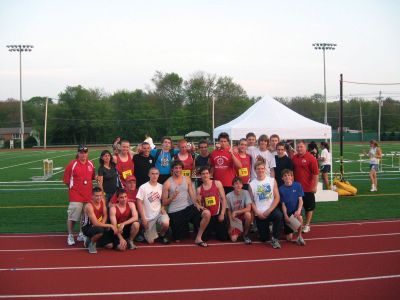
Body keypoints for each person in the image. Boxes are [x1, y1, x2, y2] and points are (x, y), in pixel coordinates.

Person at [162, 160, 210, 246]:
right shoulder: (167, 183)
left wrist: (197, 204)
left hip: (188, 208)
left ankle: (198, 238)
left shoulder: (187, 179)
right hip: (175, 212)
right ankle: (170, 230)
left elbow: (192, 194)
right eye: (176, 168)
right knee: (177, 239)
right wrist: (172, 197)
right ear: (172, 169)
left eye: (180, 168)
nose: (178, 170)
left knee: (206, 213)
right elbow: (164, 202)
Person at [63, 144, 95, 246]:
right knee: (72, 216)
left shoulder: (90, 163)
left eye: (85, 152)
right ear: (78, 153)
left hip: (88, 195)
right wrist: (74, 189)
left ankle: (81, 233)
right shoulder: (72, 164)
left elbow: (93, 177)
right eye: (81, 152)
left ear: (87, 153)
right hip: (76, 195)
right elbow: (66, 180)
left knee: (85, 217)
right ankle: (70, 235)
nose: (83, 154)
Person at [249, 160, 283, 249]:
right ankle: (265, 230)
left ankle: (275, 238)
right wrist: (257, 212)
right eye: (258, 169)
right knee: (264, 239)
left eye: (262, 168)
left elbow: (277, 197)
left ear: (265, 169)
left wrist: (269, 210)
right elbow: (251, 201)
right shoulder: (252, 184)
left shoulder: (271, 180)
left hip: (271, 209)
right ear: (255, 170)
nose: (260, 170)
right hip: (260, 212)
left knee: (278, 215)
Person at [136, 167, 170, 244]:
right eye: (152, 173)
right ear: (149, 175)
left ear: (159, 175)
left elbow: (163, 200)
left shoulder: (161, 187)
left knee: (166, 223)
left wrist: (162, 207)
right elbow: (139, 202)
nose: (154, 176)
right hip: (148, 216)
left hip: (158, 213)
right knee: (150, 241)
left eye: (156, 174)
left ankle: (162, 234)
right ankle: (143, 230)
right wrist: (143, 218)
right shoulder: (143, 187)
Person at [292, 140, 319, 233]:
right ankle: (297, 225)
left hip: (308, 188)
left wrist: (315, 186)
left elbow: (316, 174)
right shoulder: (294, 158)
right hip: (296, 189)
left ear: (305, 147)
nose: (299, 148)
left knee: (309, 207)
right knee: (296, 208)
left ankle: (307, 225)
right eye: (298, 147)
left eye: (301, 147)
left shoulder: (311, 158)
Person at [197, 166, 229, 241]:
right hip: (208, 217)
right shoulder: (199, 189)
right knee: (204, 238)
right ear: (200, 176)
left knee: (223, 238)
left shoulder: (217, 183)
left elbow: (223, 199)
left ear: (210, 174)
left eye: (207, 173)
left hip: (218, 214)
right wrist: (199, 206)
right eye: (203, 174)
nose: (205, 175)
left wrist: (222, 214)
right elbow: (198, 203)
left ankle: (216, 229)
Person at [81, 187, 118, 254]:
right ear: (92, 196)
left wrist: (103, 224)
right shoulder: (89, 206)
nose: (99, 198)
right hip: (88, 227)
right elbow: (95, 223)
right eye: (96, 196)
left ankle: (90, 240)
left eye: (100, 195)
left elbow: (105, 215)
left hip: (98, 225)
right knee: (100, 230)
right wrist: (109, 225)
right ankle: (91, 244)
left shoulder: (102, 201)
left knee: (110, 245)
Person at [279, 169, 305, 246]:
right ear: (282, 178)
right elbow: (283, 204)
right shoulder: (281, 189)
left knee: (299, 217)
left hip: (296, 211)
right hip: (288, 213)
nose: (287, 177)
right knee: (289, 238)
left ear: (292, 177)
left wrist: (299, 210)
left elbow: (301, 200)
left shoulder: (298, 185)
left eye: (289, 175)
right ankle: (291, 227)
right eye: (285, 175)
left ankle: (299, 236)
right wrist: (286, 215)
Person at [226, 177, 252, 244]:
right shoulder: (228, 196)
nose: (238, 185)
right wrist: (231, 223)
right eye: (236, 184)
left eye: (240, 184)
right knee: (233, 239)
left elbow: (248, 208)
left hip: (242, 215)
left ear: (242, 185)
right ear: (233, 185)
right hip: (235, 218)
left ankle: (245, 234)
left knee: (248, 214)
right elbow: (228, 211)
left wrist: (236, 212)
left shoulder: (246, 192)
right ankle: (239, 229)